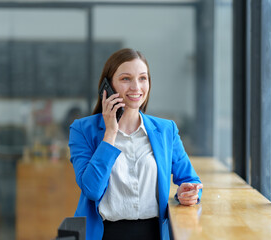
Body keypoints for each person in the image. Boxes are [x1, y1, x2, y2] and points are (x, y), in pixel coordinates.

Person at [68, 48, 203, 240]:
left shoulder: (166, 130)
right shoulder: (82, 130)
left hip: (154, 234)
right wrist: (111, 133)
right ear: (107, 86)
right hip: (104, 234)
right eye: (125, 79)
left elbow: (191, 180)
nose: (136, 87)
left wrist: (188, 194)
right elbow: (92, 189)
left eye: (142, 78)